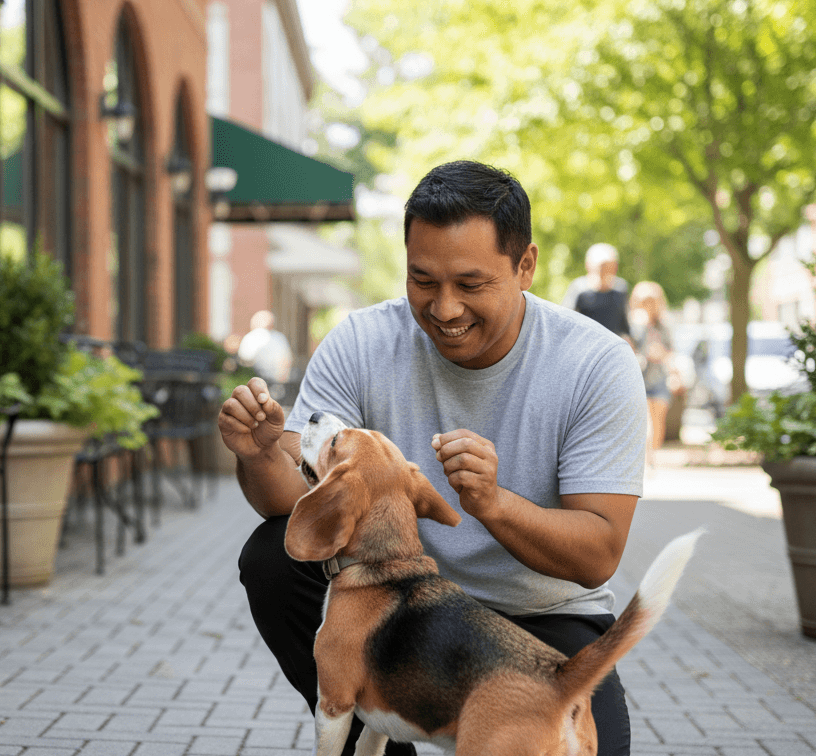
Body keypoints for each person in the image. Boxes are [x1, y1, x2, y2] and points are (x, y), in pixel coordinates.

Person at [219, 160, 647, 756]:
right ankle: (380, 730)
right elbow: (295, 504)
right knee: (270, 555)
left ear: (525, 267)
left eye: (471, 285)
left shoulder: (596, 364)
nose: (444, 310)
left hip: (543, 623)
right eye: (423, 280)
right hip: (403, 611)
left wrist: (495, 505)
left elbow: (598, 554)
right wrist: (261, 453)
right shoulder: (362, 341)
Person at [629, 281, 678, 466]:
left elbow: (672, 351)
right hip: (639, 377)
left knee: (658, 424)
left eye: (651, 301)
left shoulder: (664, 325)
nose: (648, 305)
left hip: (659, 378)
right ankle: (645, 460)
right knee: (643, 422)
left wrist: (663, 355)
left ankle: (652, 455)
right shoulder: (633, 324)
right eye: (644, 301)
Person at [561, 242, 631, 340]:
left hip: (613, 345)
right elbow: (566, 321)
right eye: (601, 267)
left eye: (609, 266)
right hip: (585, 343)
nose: (605, 270)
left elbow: (625, 323)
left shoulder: (620, 289)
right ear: (589, 266)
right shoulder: (579, 289)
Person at [236, 309, 294, 386]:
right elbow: (285, 360)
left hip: (254, 381)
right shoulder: (278, 337)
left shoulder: (250, 337)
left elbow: (244, 359)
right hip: (275, 382)